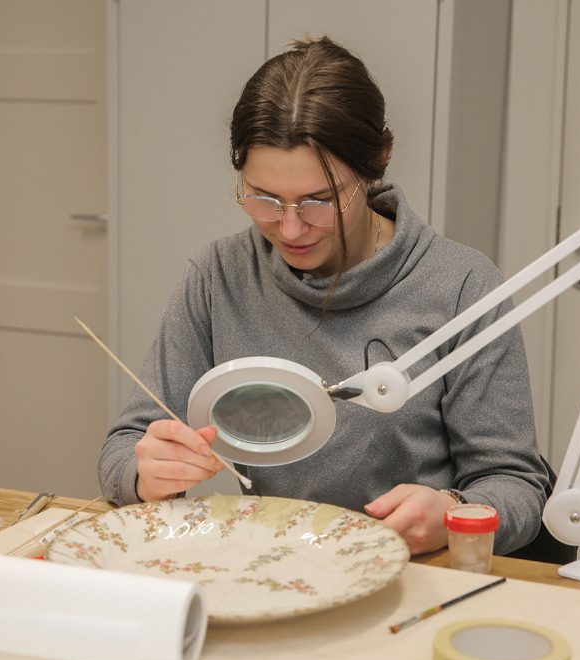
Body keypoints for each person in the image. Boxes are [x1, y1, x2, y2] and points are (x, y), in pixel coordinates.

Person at [99, 37, 549, 556]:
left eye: (320, 200)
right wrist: (146, 474)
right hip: (275, 565)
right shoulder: (219, 276)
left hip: (414, 572)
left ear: (378, 160)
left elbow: (516, 485)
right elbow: (123, 449)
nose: (290, 229)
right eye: (264, 199)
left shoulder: (461, 286)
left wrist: (451, 512)